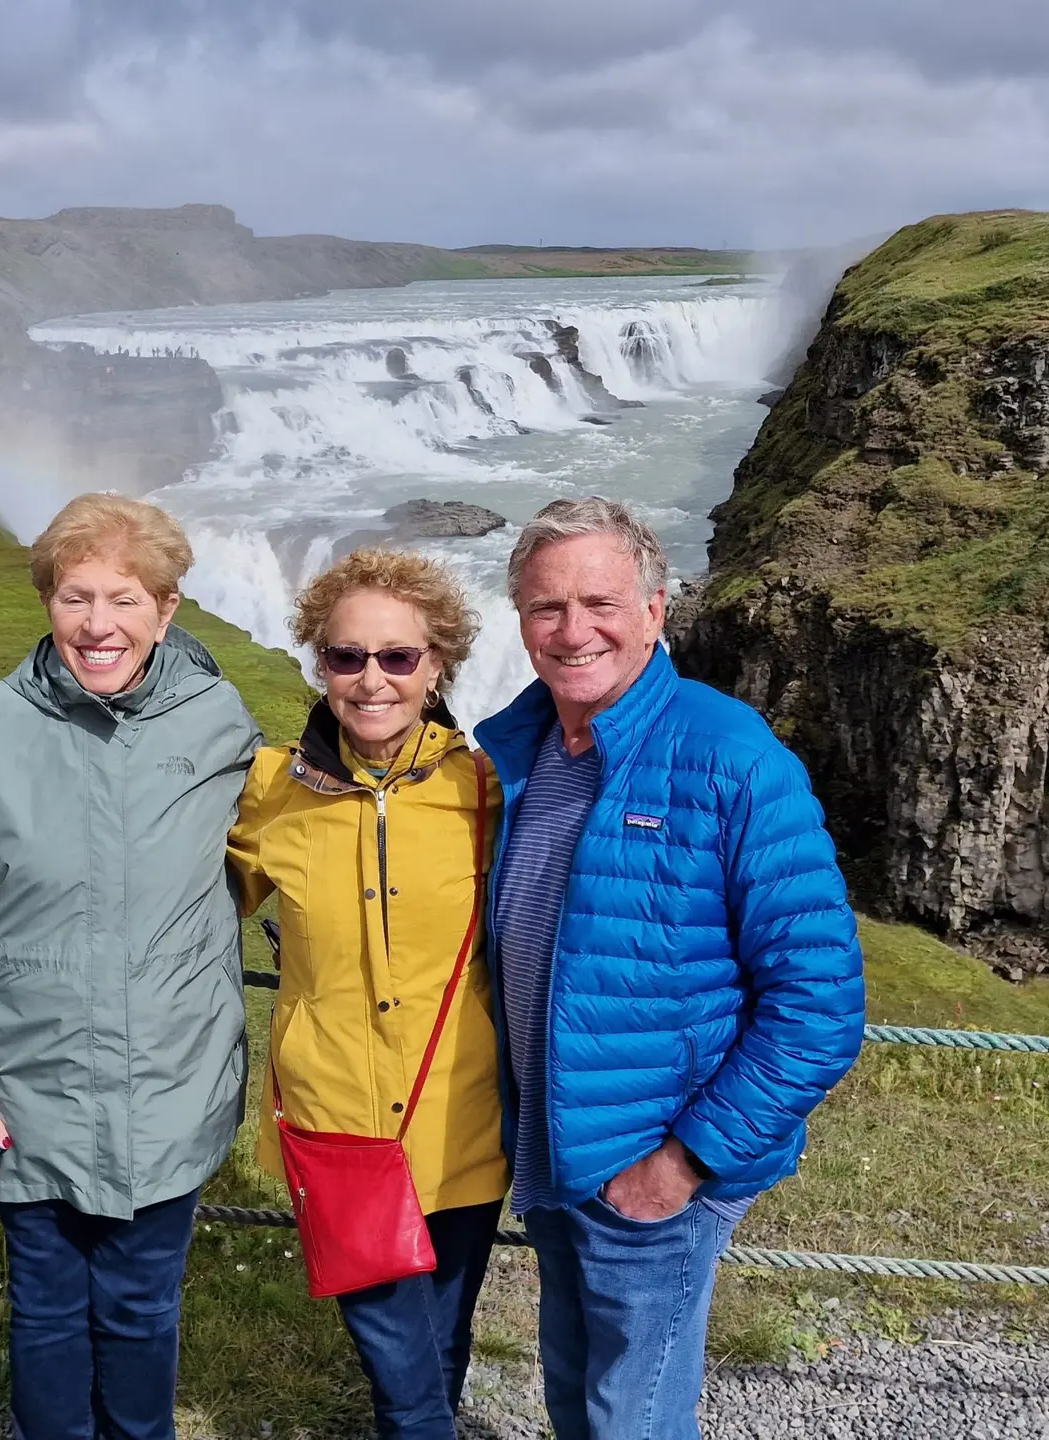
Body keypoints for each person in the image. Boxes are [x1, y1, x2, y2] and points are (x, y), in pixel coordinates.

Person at [473, 497, 864, 1440]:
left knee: (630, 1417)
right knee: (575, 1388)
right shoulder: (519, 749)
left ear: (656, 609)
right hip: (559, 1150)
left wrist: (682, 1164)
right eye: (545, 608)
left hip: (651, 1166)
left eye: (600, 603)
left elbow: (820, 1005)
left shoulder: (729, 757)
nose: (574, 632)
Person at [0, 493, 260, 1440]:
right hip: (26, 1085)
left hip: (170, 1085)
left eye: (125, 598)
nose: (99, 624)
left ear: (167, 608)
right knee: (49, 1310)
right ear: (47, 603)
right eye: (75, 598)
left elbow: (283, 847)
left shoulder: (219, 718)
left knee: (144, 1310)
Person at [225, 549, 506, 1440]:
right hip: (336, 1115)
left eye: (398, 657)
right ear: (319, 663)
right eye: (347, 657)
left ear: (438, 667)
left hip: (462, 1112)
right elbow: (172, 896)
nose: (371, 680)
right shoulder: (272, 789)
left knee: (442, 1342)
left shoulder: (488, 790)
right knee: (403, 1376)